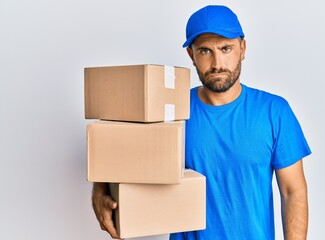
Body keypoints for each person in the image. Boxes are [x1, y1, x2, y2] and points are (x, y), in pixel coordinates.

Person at [91, 5, 311, 240]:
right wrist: (101, 190)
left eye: (226, 48)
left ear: (243, 48)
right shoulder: (171, 111)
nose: (217, 63)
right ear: (191, 55)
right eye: (205, 51)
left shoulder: (273, 111)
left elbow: (292, 191)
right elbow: (121, 156)